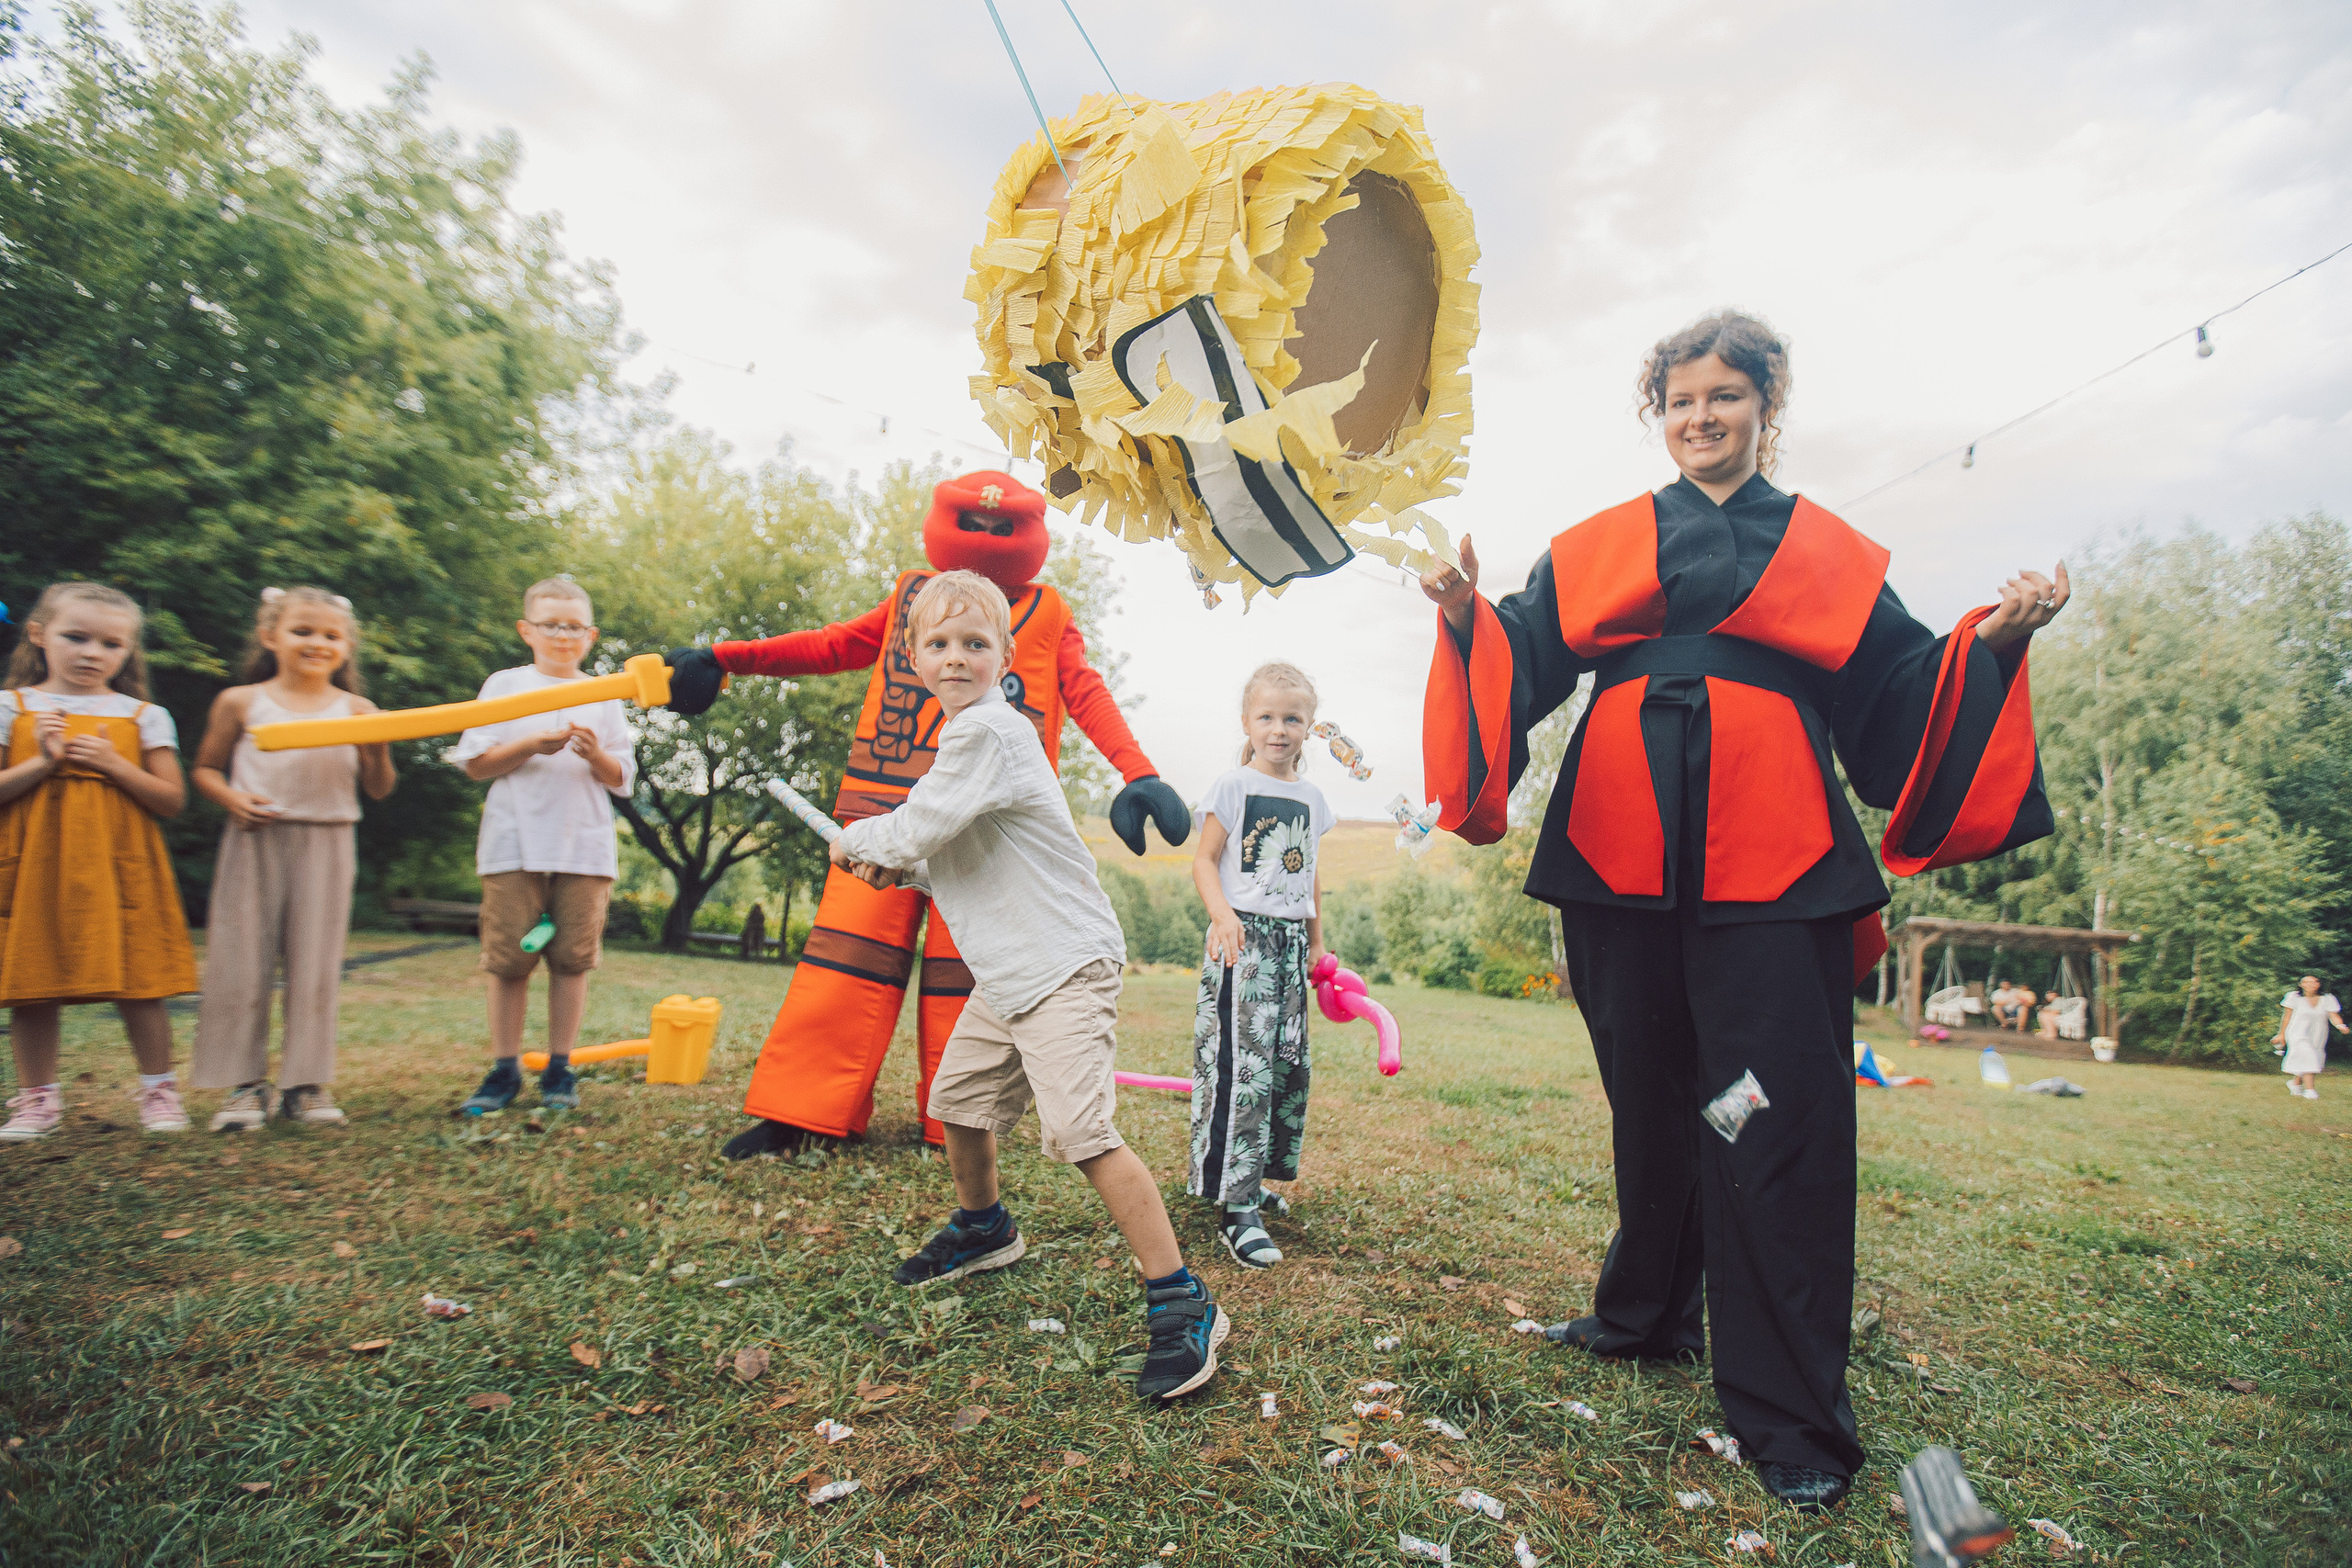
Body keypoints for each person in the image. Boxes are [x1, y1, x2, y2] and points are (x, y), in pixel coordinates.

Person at [1418, 310, 2064, 1511]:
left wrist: (1999, 636)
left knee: (1769, 1116)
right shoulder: (1600, 544)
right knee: (1656, 1096)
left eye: (1725, 395)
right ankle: (1644, 1314)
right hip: (1616, 854)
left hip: (1777, 864)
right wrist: (1464, 614)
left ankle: (1792, 1411)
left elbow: (1901, 697)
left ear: (1768, 405)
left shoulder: (1832, 552)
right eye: (1680, 399)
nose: (1701, 416)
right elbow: (1521, 661)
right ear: (1656, 415)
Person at [662, 471, 1190, 1162]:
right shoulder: (915, 599)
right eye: (976, 521)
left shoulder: (1050, 614)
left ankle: (956, 1124)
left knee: (971, 970)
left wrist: (1138, 771)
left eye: (1006, 525)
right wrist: (725, 660)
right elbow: (833, 644)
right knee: (844, 962)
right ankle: (801, 1109)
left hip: (986, 831)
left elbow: (1085, 692)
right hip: (878, 809)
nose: (989, 536)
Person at [831, 570, 1227, 1402]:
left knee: (1082, 1133)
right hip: (1011, 973)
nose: (955, 657)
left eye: (976, 643)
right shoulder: (964, 749)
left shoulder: (991, 734)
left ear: (1006, 658)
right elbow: (953, 855)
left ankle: (1182, 1299)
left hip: (1062, 967)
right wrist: (900, 867)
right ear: (912, 656)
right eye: (938, 643)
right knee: (960, 1102)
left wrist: (862, 840)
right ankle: (983, 1228)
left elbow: (920, 824)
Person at [189, 587, 398, 1129]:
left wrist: (376, 745)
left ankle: (306, 1084)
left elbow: (378, 789)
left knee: (316, 964)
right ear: (270, 637)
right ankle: (243, 1086)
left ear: (346, 648)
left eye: (331, 635)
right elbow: (206, 769)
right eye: (302, 631)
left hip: (329, 841)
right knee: (241, 959)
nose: (316, 643)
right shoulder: (239, 701)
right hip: (255, 839)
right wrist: (232, 798)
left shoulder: (358, 709)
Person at [0, 583, 198, 1140]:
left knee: (140, 982)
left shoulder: (144, 715)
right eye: (76, 637)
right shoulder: (10, 707)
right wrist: (42, 763)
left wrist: (113, 761)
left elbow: (171, 801)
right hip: (33, 867)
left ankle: (159, 1091)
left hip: (120, 869)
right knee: (29, 984)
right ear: (39, 636)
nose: (92, 653)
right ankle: (36, 1100)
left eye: (111, 643)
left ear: (128, 652)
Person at [447, 579, 635, 1114]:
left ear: (590, 635)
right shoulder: (504, 686)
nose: (561, 634)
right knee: (509, 960)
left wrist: (595, 754)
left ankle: (560, 1066)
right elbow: (476, 765)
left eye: (573, 626)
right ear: (526, 630)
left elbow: (622, 777)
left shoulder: (605, 694)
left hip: (585, 849)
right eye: (551, 624)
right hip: (514, 845)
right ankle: (504, 1069)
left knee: (572, 960)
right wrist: (531, 744)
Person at [1189, 661, 1337, 1269]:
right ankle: (1236, 1208)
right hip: (1241, 945)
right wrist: (1224, 917)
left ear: (1309, 725)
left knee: (1283, 1068)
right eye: (1268, 716)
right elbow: (1204, 860)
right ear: (1247, 721)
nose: (1279, 728)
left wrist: (1319, 943)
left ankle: (1251, 1180)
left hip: (1291, 949)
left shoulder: (1313, 799)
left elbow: (1310, 876)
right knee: (1241, 1070)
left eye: (1292, 718)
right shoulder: (1233, 785)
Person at [2276, 976, 2345, 1099]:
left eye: (2313, 982)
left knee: (2311, 1058)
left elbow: (2333, 1015)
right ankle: (2310, 1090)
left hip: (2318, 1035)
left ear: (2318, 985)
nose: (2310, 985)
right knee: (2308, 1056)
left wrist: (2340, 1025)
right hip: (2297, 1033)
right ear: (2301, 985)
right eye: (2306, 982)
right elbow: (2287, 1017)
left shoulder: (2327, 999)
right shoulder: (2294, 997)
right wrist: (2281, 1034)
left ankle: (2295, 1083)